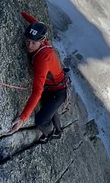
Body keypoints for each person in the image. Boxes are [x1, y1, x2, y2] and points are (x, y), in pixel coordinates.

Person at [9, 12, 67, 143]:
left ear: (41, 41)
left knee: (40, 120)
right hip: (57, 87)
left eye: (33, 43)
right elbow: (36, 24)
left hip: (58, 91)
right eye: (27, 41)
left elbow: (37, 91)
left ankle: (50, 133)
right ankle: (58, 131)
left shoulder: (42, 60)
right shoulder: (42, 39)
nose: (29, 45)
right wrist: (22, 14)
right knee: (50, 107)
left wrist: (23, 117)